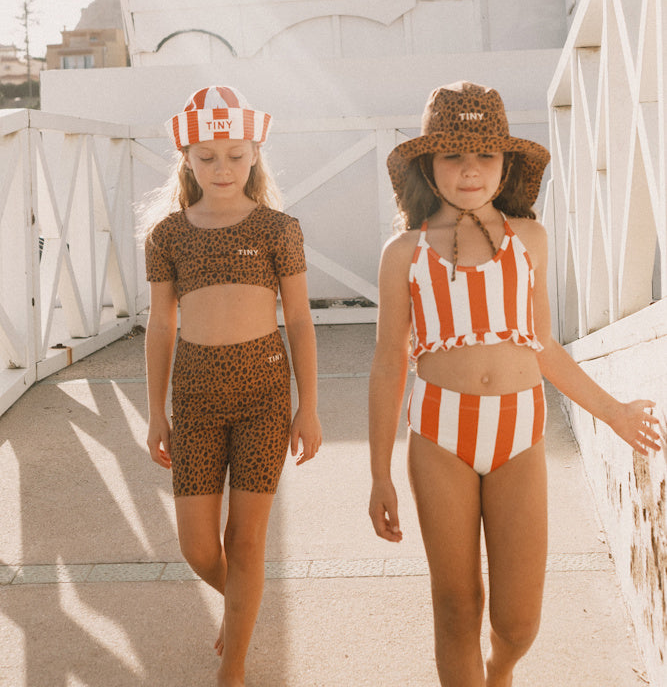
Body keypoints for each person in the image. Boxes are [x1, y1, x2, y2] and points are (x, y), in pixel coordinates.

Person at [368, 80, 660, 687]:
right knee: (456, 606)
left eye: (485, 156)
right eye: (453, 155)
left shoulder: (529, 240)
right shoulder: (404, 253)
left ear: (506, 166)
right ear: (429, 163)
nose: (470, 170)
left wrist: (614, 412)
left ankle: (500, 668)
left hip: (518, 435)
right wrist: (378, 474)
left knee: (518, 619)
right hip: (438, 436)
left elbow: (543, 346)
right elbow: (388, 364)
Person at [143, 85, 322, 687]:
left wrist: (309, 408)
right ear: (187, 159)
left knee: (245, 540)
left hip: (264, 398)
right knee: (199, 547)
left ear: (255, 156)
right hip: (192, 399)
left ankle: (234, 667)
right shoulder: (167, 236)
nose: (222, 168)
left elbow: (298, 319)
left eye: (235, 155)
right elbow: (161, 326)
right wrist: (154, 412)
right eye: (207, 156)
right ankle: (244, 604)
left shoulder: (278, 228)